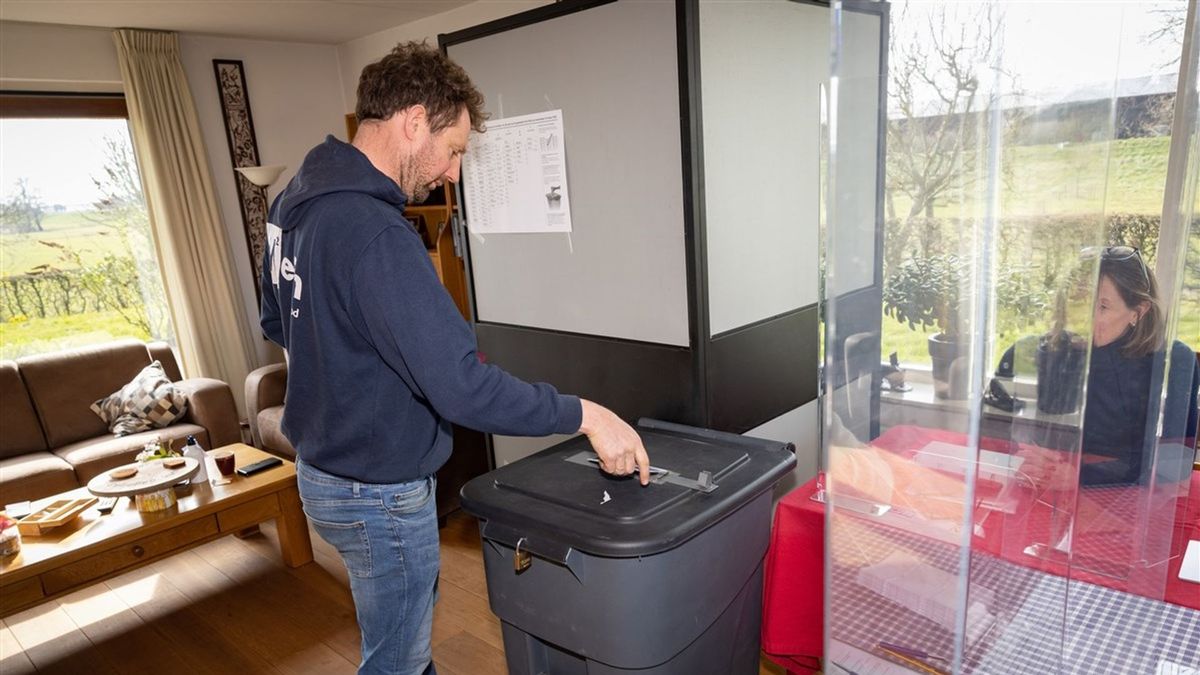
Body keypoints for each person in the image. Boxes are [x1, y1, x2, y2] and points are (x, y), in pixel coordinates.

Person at [259, 42, 651, 675]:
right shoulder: (376, 234)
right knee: (397, 660)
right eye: (455, 150)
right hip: (378, 492)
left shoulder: (291, 203)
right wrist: (588, 415)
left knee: (399, 634)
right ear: (415, 121)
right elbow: (462, 388)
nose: (454, 173)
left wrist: (351, 368)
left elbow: (278, 321)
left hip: (321, 474)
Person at [1019, 246, 1198, 489]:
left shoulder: (1175, 362)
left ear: (1138, 311)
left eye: (1102, 307)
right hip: (1060, 487)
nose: (1085, 318)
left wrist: (1081, 477)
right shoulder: (1063, 350)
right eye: (1078, 302)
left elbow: (1173, 466)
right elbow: (1044, 427)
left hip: (1131, 497)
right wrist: (1045, 461)